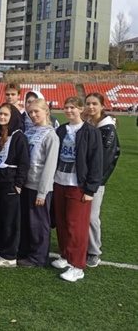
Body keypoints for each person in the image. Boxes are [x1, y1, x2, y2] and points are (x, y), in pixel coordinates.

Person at [51, 96, 103, 282]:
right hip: (59, 181)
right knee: (62, 222)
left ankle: (78, 265)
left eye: (73, 107)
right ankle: (65, 255)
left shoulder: (90, 132)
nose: (69, 110)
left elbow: (96, 161)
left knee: (76, 226)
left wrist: (90, 190)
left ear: (81, 109)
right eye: (66, 107)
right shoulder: (61, 129)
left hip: (78, 186)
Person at [17, 98, 59, 267]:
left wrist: (43, 191)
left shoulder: (51, 135)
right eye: (30, 113)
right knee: (27, 221)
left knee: (39, 223)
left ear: (46, 112)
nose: (33, 115)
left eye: (36, 112)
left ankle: (38, 257)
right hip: (26, 184)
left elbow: (50, 165)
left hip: (39, 186)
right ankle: (26, 250)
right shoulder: (30, 132)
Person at [0, 104, 30, 268]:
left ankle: (9, 255)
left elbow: (24, 162)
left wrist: (18, 183)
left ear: (13, 117)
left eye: (6, 114)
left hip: (10, 182)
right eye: (0, 114)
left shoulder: (19, 136)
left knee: (9, 220)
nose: (2, 117)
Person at [83, 93, 120, 268]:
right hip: (82, 178)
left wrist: (95, 182)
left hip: (95, 182)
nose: (91, 107)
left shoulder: (107, 129)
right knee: (82, 215)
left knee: (92, 217)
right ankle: (83, 246)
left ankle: (94, 251)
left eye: (94, 104)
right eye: (88, 103)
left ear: (102, 106)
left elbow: (105, 160)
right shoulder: (89, 123)